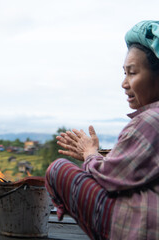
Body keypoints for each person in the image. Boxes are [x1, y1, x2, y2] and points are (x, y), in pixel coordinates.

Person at [45, 20, 159, 240]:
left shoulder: (151, 120)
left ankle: (64, 207)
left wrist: (89, 154)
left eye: (132, 73)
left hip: (139, 228)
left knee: (58, 168)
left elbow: (108, 178)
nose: (124, 84)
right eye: (124, 73)